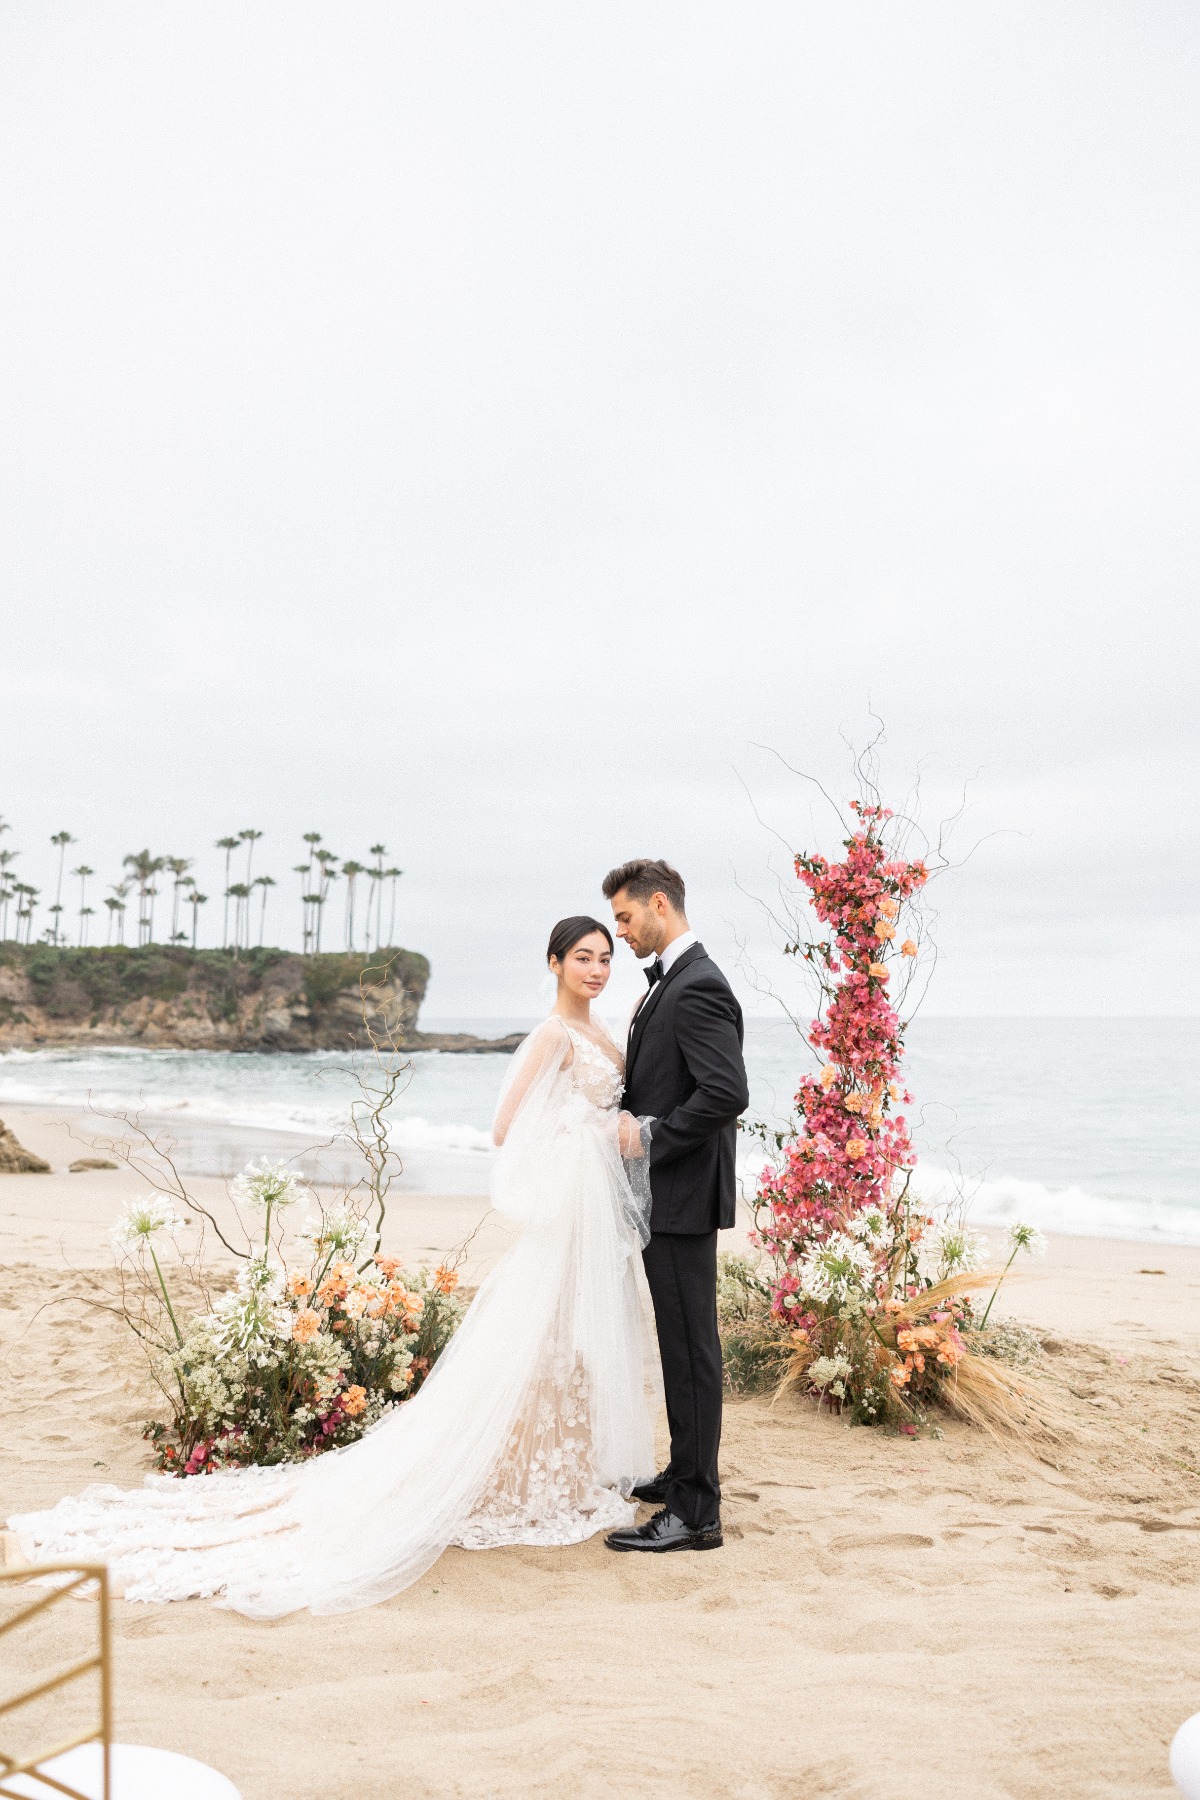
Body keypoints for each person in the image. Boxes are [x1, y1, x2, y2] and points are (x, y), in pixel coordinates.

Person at [7, 917, 656, 1617]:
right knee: (541, 1343)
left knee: (568, 1347)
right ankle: (514, 1480)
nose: (595, 969)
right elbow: (506, 1129)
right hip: (566, 1219)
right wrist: (594, 1131)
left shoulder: (602, 1037)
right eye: (582, 957)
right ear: (554, 962)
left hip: (587, 1223)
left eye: (604, 958)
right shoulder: (554, 1036)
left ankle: (554, 1473)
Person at [601, 859, 749, 1555]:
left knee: (691, 1355)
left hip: (684, 1197)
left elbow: (725, 1092)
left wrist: (651, 1133)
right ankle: (685, 1472)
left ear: (660, 905)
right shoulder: (675, 983)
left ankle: (697, 1515)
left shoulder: (698, 985)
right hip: (669, 1197)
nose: (620, 932)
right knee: (679, 1349)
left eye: (626, 918)